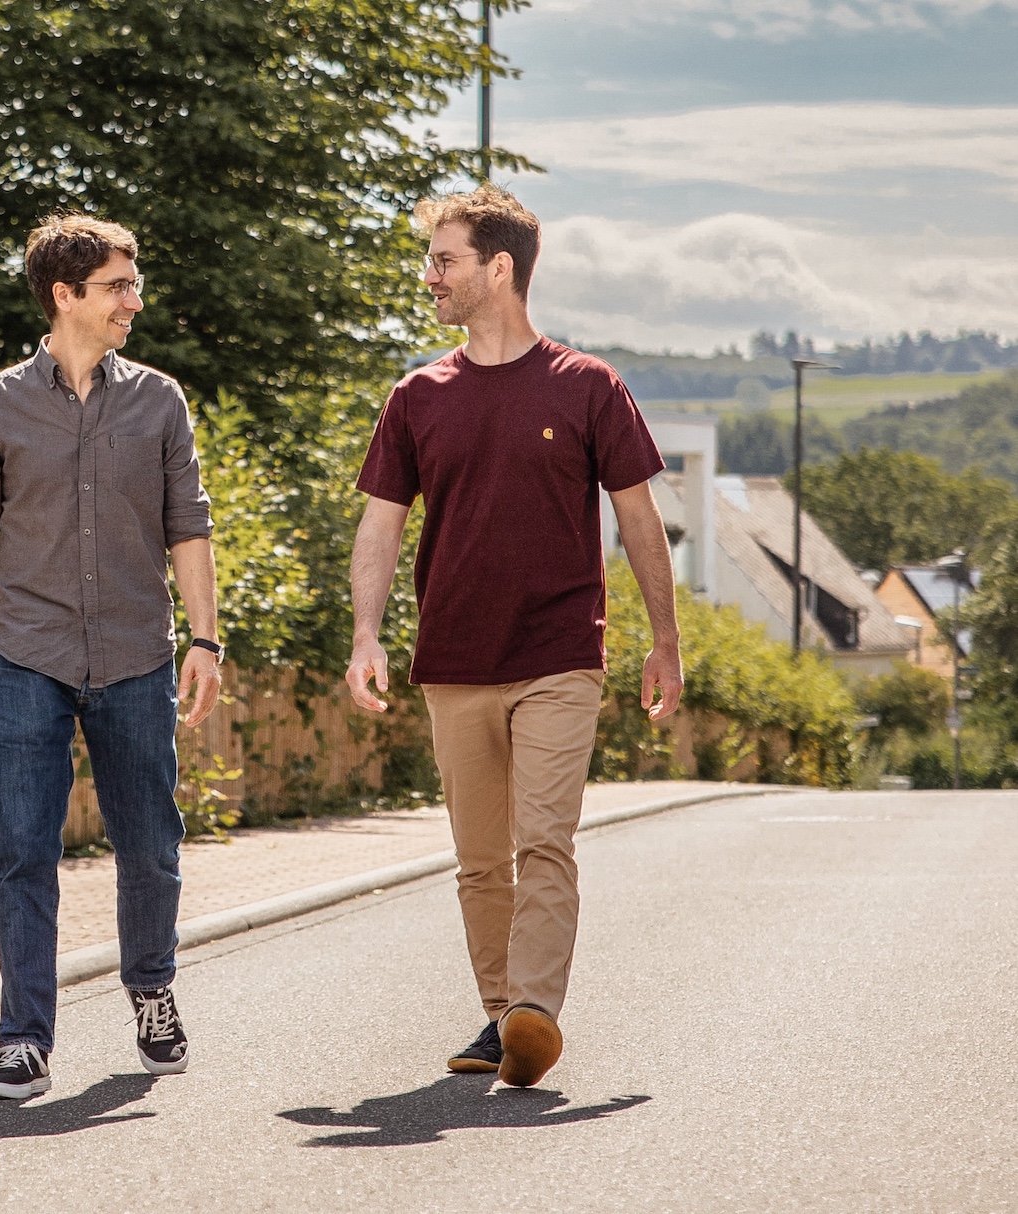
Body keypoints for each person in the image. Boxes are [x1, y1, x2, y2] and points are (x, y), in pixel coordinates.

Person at [345, 185, 683, 1089]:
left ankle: (535, 1008)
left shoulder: (587, 386)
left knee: (545, 840)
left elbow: (638, 519)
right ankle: (503, 1016)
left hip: (559, 655)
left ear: (501, 268)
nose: (430, 278)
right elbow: (380, 526)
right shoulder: (417, 396)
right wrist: (365, 634)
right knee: (478, 859)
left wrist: (665, 640)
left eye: (444, 261)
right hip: (453, 659)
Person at [0, 213, 223, 1100]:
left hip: (138, 653)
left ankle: (152, 992)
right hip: (28, 654)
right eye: (118, 287)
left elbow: (191, 525)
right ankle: (24, 1039)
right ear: (66, 296)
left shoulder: (160, 400)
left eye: (132, 286)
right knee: (23, 848)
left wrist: (208, 637)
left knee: (151, 844)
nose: (133, 302)